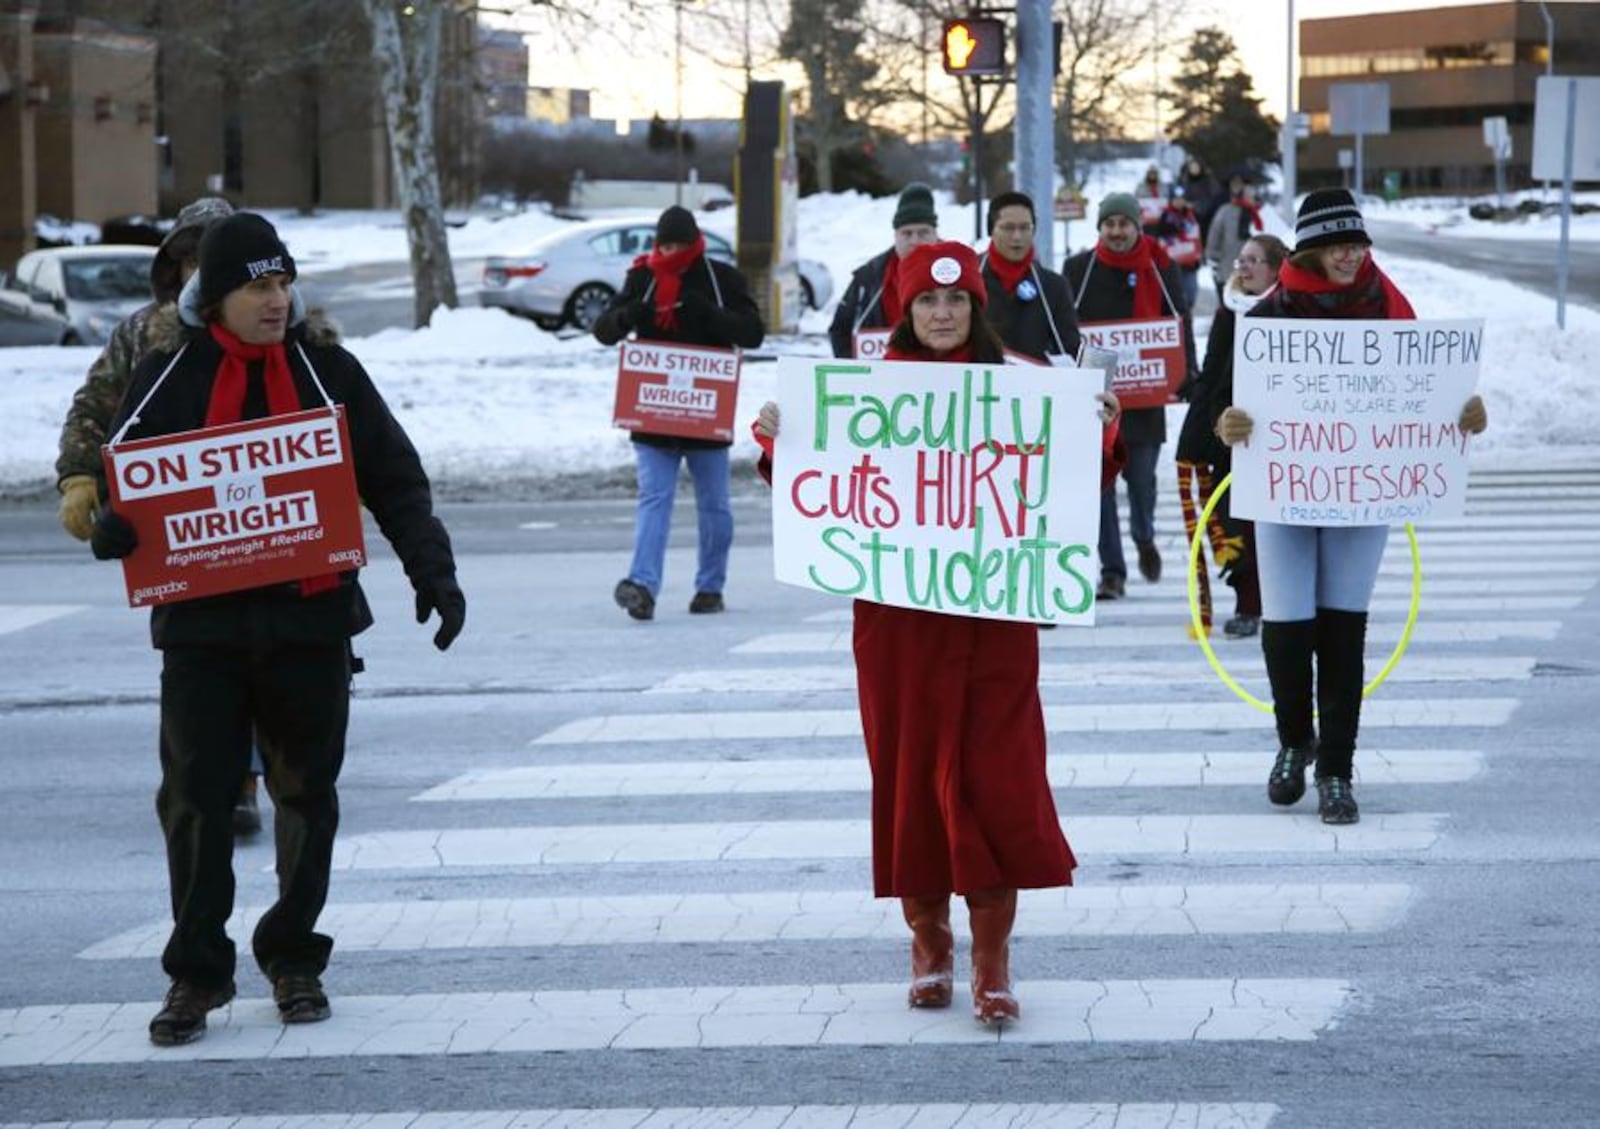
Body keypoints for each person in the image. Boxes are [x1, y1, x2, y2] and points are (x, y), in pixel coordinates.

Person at [88, 212, 466, 1046]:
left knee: (306, 796)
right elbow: (121, 487)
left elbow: (396, 479)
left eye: (284, 282)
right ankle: (196, 971)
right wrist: (112, 526)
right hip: (203, 631)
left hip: (309, 620)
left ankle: (294, 954)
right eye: (258, 285)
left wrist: (432, 573)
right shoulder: (165, 374)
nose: (277, 299)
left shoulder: (328, 371)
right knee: (194, 803)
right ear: (215, 296)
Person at [753, 242, 1123, 1028]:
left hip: (994, 623)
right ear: (907, 311)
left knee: (998, 780)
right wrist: (778, 437)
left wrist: (1100, 432)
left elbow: (1073, 481)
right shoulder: (865, 392)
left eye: (956, 302)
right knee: (910, 776)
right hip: (899, 629)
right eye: (928, 302)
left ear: (977, 308)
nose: (944, 314)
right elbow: (816, 476)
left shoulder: (1024, 387)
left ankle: (992, 955)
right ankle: (928, 942)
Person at [1214, 189, 1488, 825]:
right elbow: (1225, 404)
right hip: (1284, 490)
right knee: (1285, 625)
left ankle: (1336, 768)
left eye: (1357, 243)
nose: (1349, 255)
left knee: (1343, 629)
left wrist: (1466, 412)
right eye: (1337, 243)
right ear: (1309, 247)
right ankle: (1293, 741)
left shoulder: (1391, 309)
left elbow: (1430, 397)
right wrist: (1229, 425)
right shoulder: (1267, 316)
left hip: (1362, 490)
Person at [52, 196, 269, 838]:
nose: (196, 271)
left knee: (260, 662)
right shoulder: (144, 333)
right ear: (173, 266)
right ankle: (192, 779)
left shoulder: (273, 327)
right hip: (182, 538)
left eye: (211, 257)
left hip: (261, 531)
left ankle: (246, 783)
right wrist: (79, 476)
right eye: (188, 258)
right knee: (194, 668)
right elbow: (94, 404)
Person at [593, 205, 764, 621]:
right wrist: (626, 316)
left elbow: (753, 332)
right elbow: (603, 329)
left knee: (714, 506)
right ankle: (643, 587)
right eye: (664, 245)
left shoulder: (721, 279)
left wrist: (711, 316)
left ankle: (710, 587)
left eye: (678, 246)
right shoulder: (642, 278)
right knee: (654, 499)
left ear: (694, 243)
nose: (670, 252)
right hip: (654, 414)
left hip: (705, 413)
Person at [1065, 192, 1197, 601]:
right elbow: (1066, 329)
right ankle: (1112, 570)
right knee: (1101, 487)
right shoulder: (1078, 269)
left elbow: (1178, 322)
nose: (1117, 231)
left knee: (1141, 481)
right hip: (1099, 402)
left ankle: (1144, 535)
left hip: (1145, 397)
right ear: (1100, 228)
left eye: (1124, 224)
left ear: (1137, 226)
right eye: (1110, 224)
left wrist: (1187, 369)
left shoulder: (1160, 266)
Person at [1174, 233, 1288, 639]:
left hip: (1280, 439)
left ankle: (1283, 602)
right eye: (1241, 259)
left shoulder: (1289, 311)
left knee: (1274, 528)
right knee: (1233, 524)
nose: (1243, 267)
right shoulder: (1228, 310)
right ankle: (1247, 603)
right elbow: (1213, 371)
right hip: (1230, 434)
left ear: (1276, 269)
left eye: (1254, 260)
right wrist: (1201, 428)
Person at [827, 183, 939, 358]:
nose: (915, 241)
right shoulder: (869, 276)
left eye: (923, 232)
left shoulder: (960, 273)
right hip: (879, 381)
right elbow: (840, 330)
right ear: (895, 235)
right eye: (907, 233)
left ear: (935, 234)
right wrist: (853, 373)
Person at [978, 190, 1080, 362]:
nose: (1017, 237)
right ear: (991, 230)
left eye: (1025, 228)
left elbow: (1070, 350)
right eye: (1008, 228)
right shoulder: (970, 280)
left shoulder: (1054, 287)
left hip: (1035, 386)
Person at [1205, 168, 1266, 301]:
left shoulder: (1260, 214)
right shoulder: (1226, 210)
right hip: (1228, 271)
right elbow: (1214, 238)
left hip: (1255, 274)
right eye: (1234, 183)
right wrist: (1213, 262)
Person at [1152, 188, 1204, 312]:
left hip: (1190, 263)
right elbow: (1161, 237)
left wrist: (1199, 254)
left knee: (1191, 296)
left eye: (1182, 199)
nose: (1179, 202)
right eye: (1176, 199)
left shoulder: (1192, 215)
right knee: (1175, 297)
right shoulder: (1165, 216)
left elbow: (1197, 237)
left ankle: (1187, 317)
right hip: (1173, 263)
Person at [1179, 156, 1223, 236]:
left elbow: (1213, 199)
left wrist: (1195, 205)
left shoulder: (1208, 181)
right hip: (1188, 218)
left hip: (1206, 217)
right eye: (1192, 167)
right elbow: (1181, 196)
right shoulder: (1185, 181)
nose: (1194, 169)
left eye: (1196, 167)